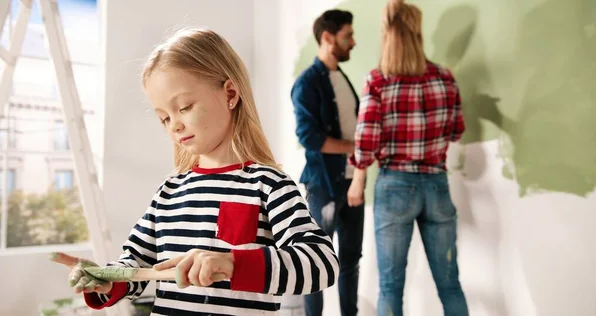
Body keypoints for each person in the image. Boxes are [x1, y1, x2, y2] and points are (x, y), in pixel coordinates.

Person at [54, 28, 339, 316]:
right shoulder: (170, 192)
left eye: (185, 107)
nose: (174, 125)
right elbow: (134, 263)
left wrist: (232, 262)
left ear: (230, 93)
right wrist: (106, 279)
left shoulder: (269, 185)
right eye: (164, 118)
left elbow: (321, 264)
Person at [347, 1, 469, 315]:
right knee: (450, 284)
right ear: (418, 32)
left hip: (395, 186)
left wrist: (357, 184)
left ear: (387, 34)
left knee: (390, 286)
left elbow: (365, 147)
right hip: (436, 185)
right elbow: (457, 131)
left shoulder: (378, 81)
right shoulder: (444, 77)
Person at [291, 9, 364, 316]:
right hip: (323, 185)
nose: (354, 42)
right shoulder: (308, 83)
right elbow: (309, 137)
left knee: (350, 260)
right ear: (327, 37)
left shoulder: (342, 79)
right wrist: (356, 147)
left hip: (352, 183)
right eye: (348, 35)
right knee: (317, 264)